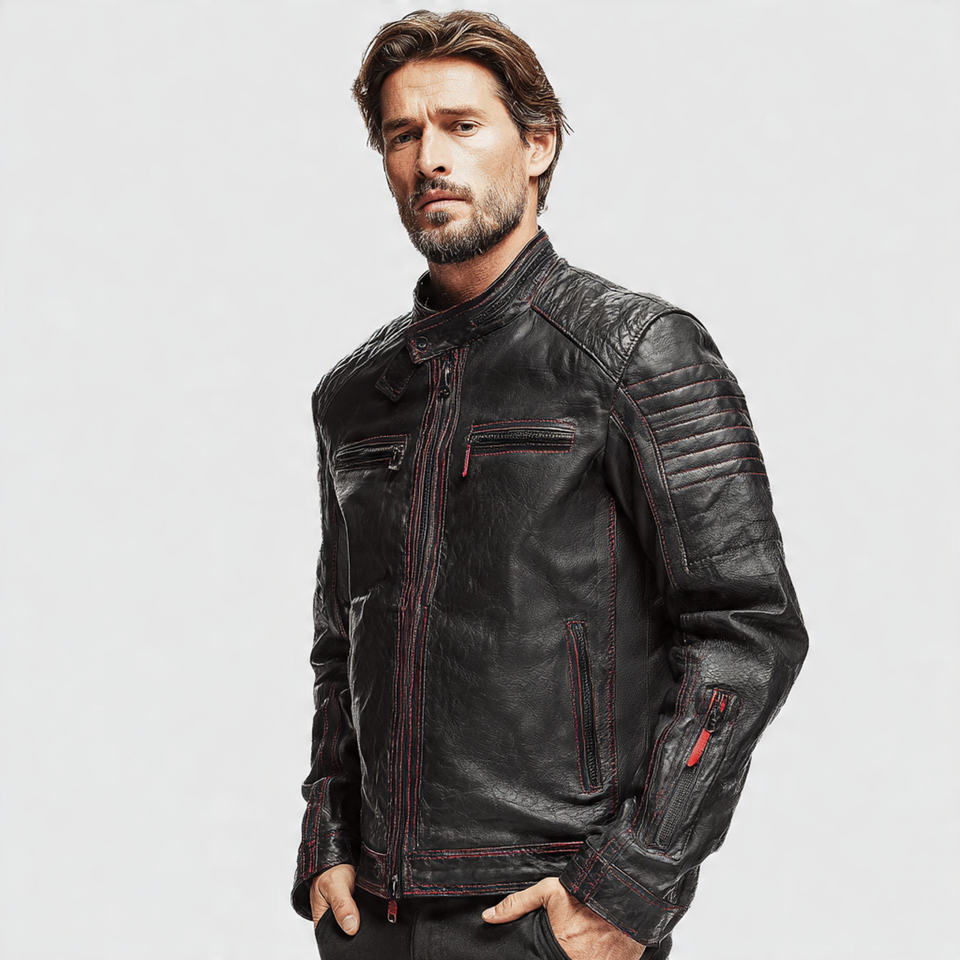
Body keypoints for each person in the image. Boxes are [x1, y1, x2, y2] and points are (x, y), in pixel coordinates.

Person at [291, 9, 809, 959]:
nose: (430, 159)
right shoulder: (354, 397)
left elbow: (746, 630)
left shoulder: (636, 351)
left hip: (545, 913)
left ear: (538, 145)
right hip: (371, 917)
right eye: (402, 135)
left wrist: (631, 885)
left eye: (462, 125)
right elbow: (340, 643)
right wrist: (327, 837)